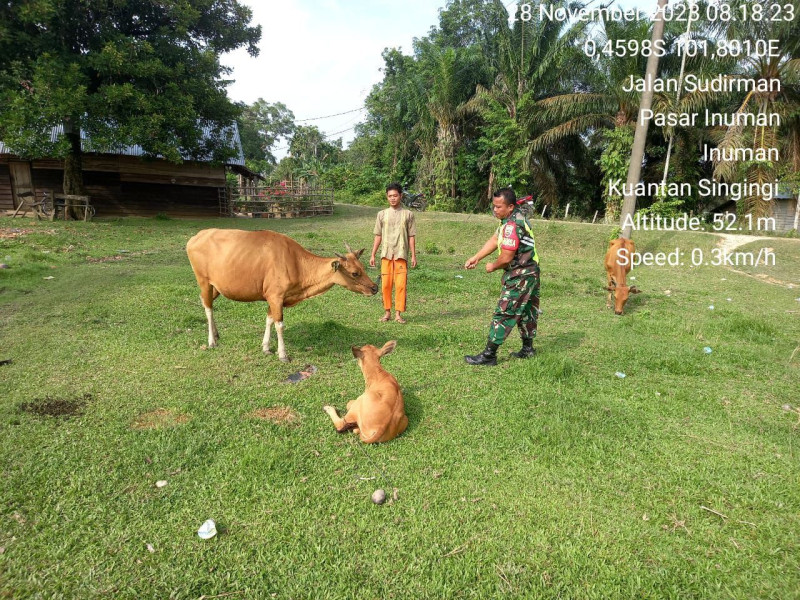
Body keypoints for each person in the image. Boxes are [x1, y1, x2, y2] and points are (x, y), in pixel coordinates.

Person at [464, 187, 540, 365]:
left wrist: (493, 266)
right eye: (494, 206)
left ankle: (489, 355)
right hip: (530, 273)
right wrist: (476, 257)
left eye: (499, 207)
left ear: (511, 206)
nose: (495, 210)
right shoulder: (509, 220)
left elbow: (506, 258)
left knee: (504, 312)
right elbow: (494, 239)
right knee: (527, 312)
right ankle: (528, 349)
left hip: (520, 275)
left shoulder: (513, 225)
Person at [370, 183, 418, 323]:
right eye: (390, 196)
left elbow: (411, 236)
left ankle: (398, 314)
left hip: (401, 254)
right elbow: (378, 235)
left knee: (401, 285)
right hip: (386, 254)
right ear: (387, 197)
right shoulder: (382, 214)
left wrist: (413, 255)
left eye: (395, 195)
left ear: (400, 196)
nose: (392, 198)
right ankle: (387, 312)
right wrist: (373, 254)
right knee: (385, 285)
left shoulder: (408, 214)